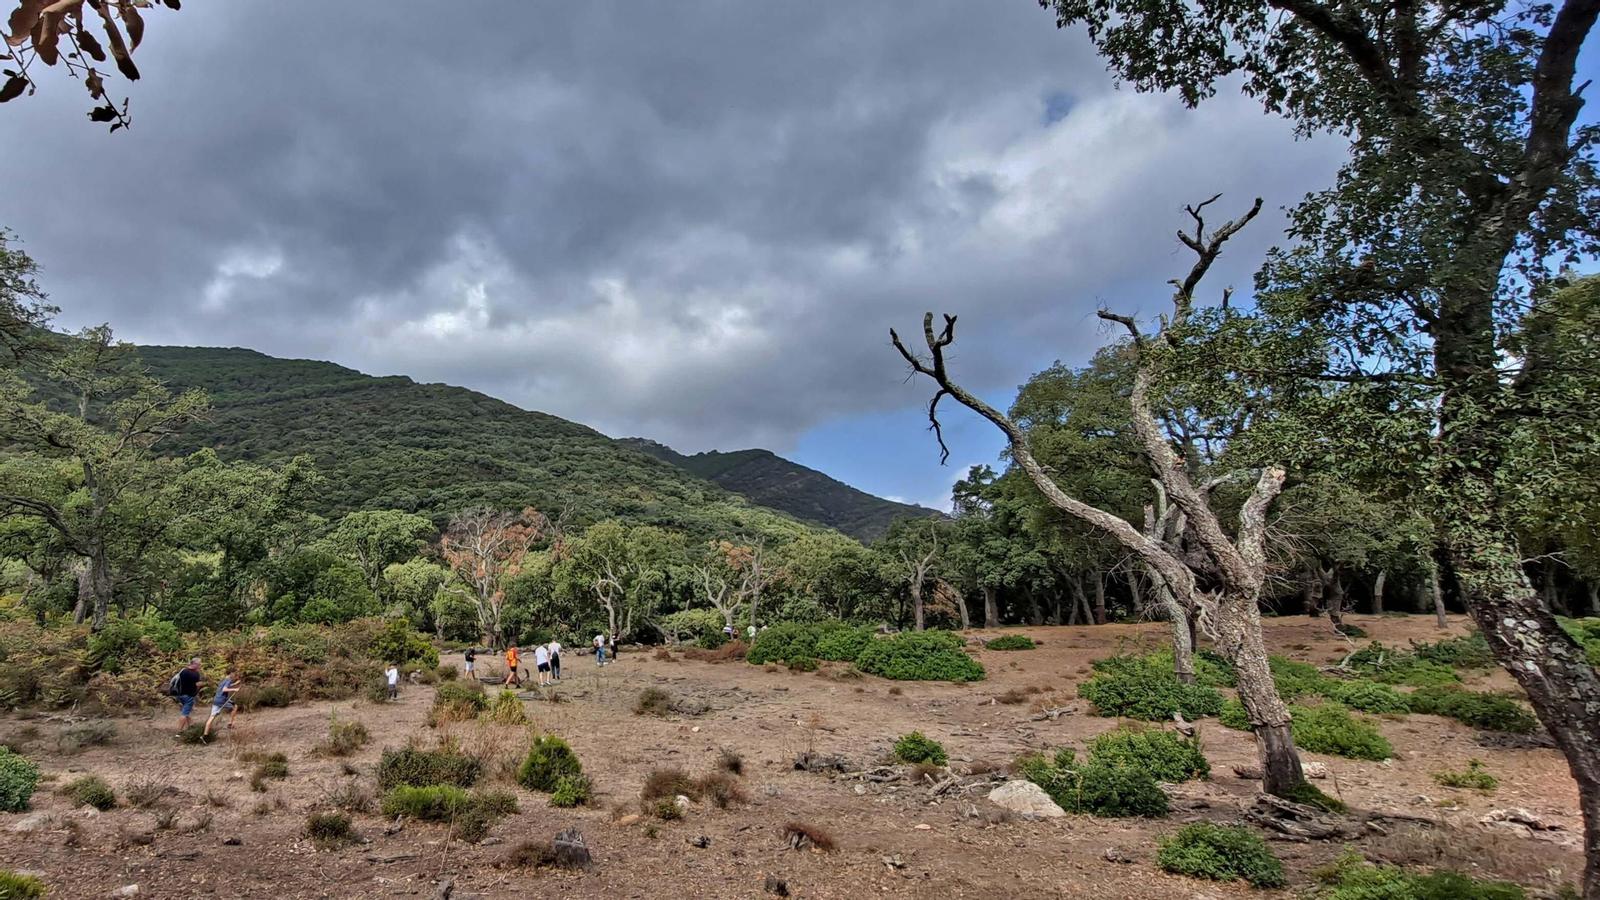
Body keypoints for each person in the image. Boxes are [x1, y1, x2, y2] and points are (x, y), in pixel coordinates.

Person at [202, 667, 241, 740]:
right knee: (235, 707)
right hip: (222, 700)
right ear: (231, 673)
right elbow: (224, 689)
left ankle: (205, 736)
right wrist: (235, 689)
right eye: (235, 673)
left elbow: (223, 687)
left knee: (212, 717)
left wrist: (234, 684)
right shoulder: (229, 680)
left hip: (216, 700)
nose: (235, 675)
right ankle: (230, 724)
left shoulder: (223, 680)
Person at [173, 657, 203, 736]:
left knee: (188, 712)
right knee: (185, 713)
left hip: (180, 695)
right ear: (195, 664)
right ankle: (179, 732)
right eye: (199, 664)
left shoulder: (183, 671)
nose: (200, 666)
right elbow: (198, 684)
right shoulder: (195, 674)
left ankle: (189, 727)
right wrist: (200, 684)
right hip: (189, 696)